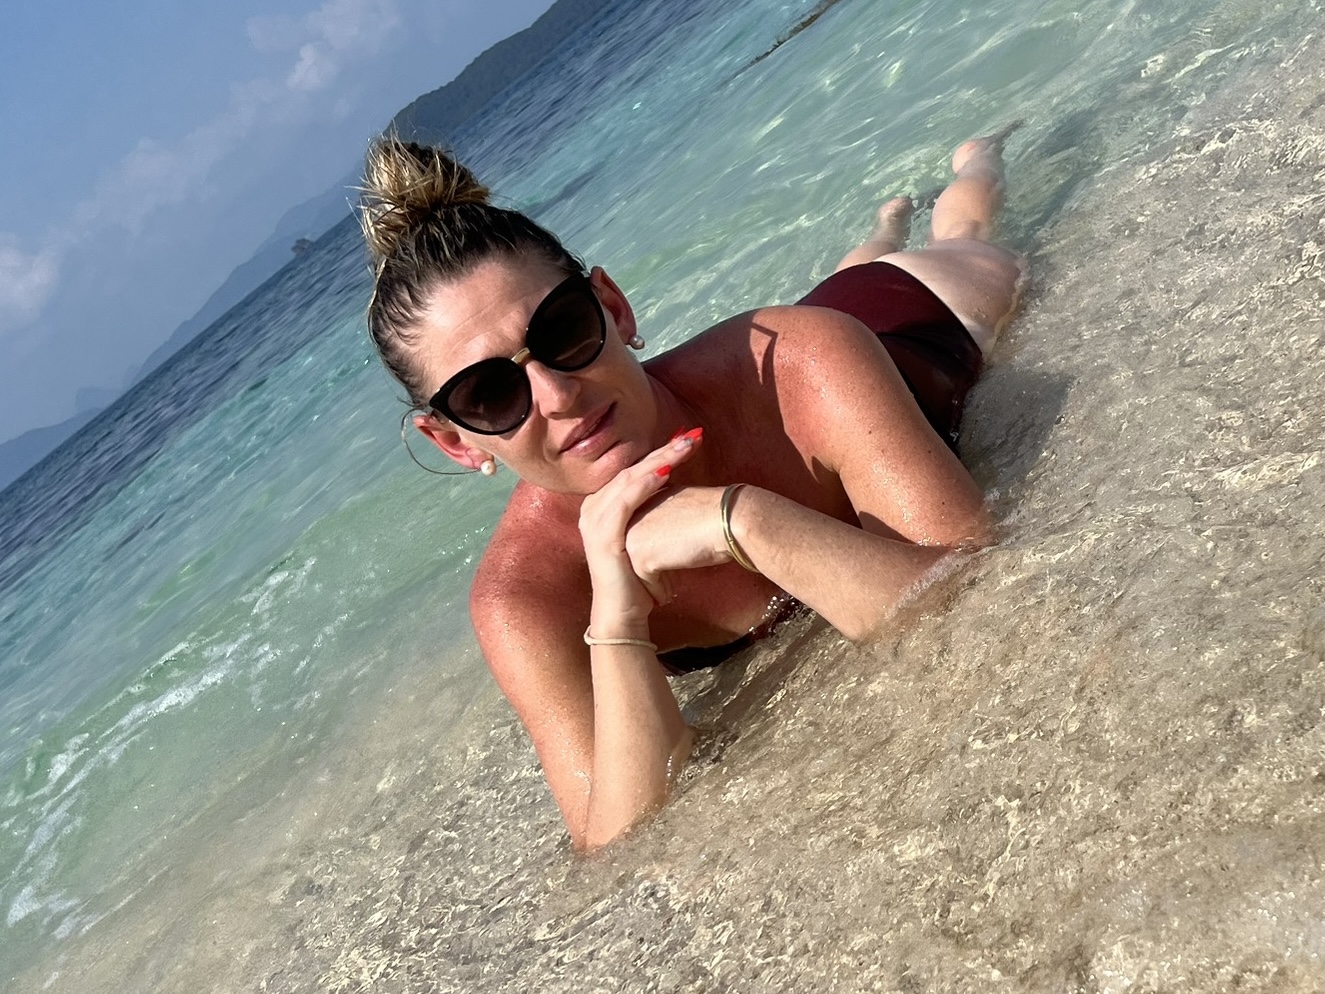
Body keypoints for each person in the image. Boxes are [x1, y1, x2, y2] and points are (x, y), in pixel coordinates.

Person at [359, 124, 1025, 850]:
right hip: (821, 347)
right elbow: (615, 842)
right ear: (456, 441)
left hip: (907, 321)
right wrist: (617, 620)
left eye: (563, 330)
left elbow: (977, 597)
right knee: (871, 248)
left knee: (964, 228)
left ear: (614, 308)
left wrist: (739, 520)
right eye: (488, 394)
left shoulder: (804, 358)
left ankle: (972, 159)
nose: (556, 395)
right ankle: (884, 222)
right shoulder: (526, 596)